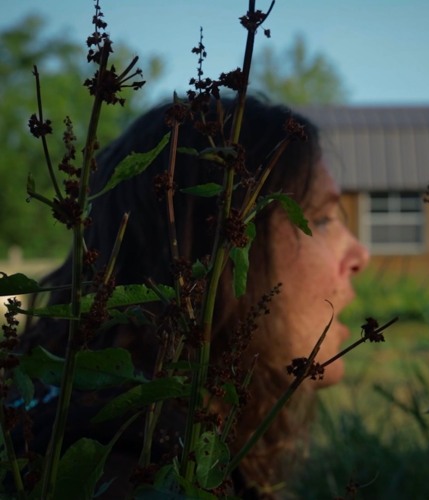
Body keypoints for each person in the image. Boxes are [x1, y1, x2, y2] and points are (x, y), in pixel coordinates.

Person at [17, 95, 369, 498]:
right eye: (320, 219)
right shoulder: (133, 473)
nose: (361, 254)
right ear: (220, 248)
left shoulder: (39, 415)